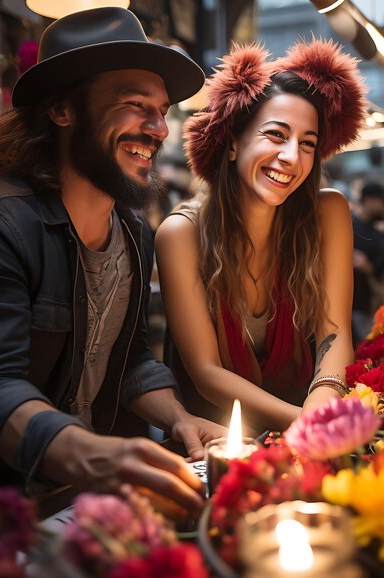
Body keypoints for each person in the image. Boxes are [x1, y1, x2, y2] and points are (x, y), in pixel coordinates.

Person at [0, 7, 225, 539]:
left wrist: (178, 417)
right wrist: (99, 456)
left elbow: (127, 359)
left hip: (68, 512)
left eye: (161, 110)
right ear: (61, 109)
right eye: (134, 106)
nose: (157, 128)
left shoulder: (131, 232)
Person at [155, 41, 367, 432]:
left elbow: (334, 332)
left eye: (308, 143)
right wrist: (307, 425)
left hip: (308, 431)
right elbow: (206, 373)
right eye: (276, 134)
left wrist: (323, 404)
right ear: (233, 143)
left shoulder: (327, 213)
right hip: (215, 443)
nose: (292, 156)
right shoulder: (180, 234)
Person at [351, 182, 384, 344]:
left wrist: (368, 267)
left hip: (375, 303)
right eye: (381, 201)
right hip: (355, 305)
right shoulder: (349, 226)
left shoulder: (379, 230)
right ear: (368, 200)